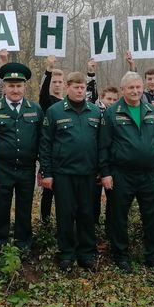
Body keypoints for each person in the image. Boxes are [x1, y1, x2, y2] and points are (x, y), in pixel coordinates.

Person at [99, 71, 154, 272]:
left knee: (151, 217)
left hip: (149, 174)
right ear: (123, 90)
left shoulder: (151, 111)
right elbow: (103, 145)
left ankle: (153, 256)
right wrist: (105, 173)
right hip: (121, 174)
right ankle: (121, 256)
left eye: (138, 87)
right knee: (119, 217)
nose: (136, 91)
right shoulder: (112, 112)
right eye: (131, 87)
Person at [39, 72, 102, 271]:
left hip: (88, 173)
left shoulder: (94, 111)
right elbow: (46, 143)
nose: (79, 90)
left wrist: (101, 169)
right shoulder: (55, 111)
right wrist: (47, 172)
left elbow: (101, 143)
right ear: (68, 87)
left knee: (87, 213)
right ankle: (66, 253)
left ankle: (87, 254)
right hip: (63, 173)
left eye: (82, 87)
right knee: (65, 214)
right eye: (75, 87)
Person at [0, 62, 44, 257]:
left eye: (19, 86)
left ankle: (23, 245)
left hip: (27, 169)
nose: (15, 90)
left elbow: (42, 141)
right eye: (11, 86)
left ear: (24, 87)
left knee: (24, 208)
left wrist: (42, 169)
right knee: (1, 208)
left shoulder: (35, 109)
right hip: (2, 169)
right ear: (4, 87)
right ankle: (0, 245)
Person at [38, 56, 65, 225]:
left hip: (66, 155)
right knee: (48, 191)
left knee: (63, 193)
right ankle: (45, 222)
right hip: (50, 154)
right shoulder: (47, 102)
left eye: (59, 82)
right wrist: (48, 70)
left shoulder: (67, 102)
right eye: (54, 81)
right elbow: (42, 91)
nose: (57, 84)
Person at [93, 86, 119, 237]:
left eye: (115, 100)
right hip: (95, 165)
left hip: (112, 165)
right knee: (93, 200)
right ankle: (94, 229)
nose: (111, 102)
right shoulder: (94, 112)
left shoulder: (118, 113)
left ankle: (110, 232)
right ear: (101, 98)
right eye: (109, 99)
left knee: (113, 200)